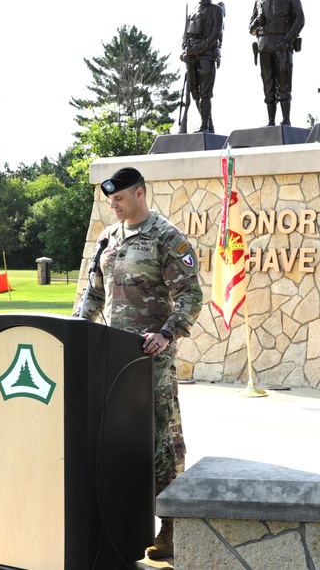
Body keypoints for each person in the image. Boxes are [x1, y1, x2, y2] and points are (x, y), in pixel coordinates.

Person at [77, 167, 203, 559]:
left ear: (140, 194)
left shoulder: (166, 237)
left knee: (161, 444)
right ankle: (119, 520)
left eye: (119, 199)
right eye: (109, 200)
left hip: (151, 362)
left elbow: (190, 296)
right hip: (111, 360)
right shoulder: (107, 239)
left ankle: (169, 528)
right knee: (114, 441)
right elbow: (93, 295)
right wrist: (78, 333)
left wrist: (166, 334)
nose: (112, 206)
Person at [249, 0, 305, 126]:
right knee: (267, 83)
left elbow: (300, 20)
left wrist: (288, 40)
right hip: (264, 46)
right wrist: (256, 23)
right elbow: (250, 28)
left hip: (282, 45)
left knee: (284, 83)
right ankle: (271, 120)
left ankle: (286, 119)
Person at [180, 0, 224, 134]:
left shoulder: (215, 10)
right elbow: (185, 34)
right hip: (191, 57)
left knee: (205, 93)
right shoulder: (192, 10)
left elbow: (216, 34)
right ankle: (208, 125)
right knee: (194, 93)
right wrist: (184, 50)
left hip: (206, 56)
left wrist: (197, 49)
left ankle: (205, 126)